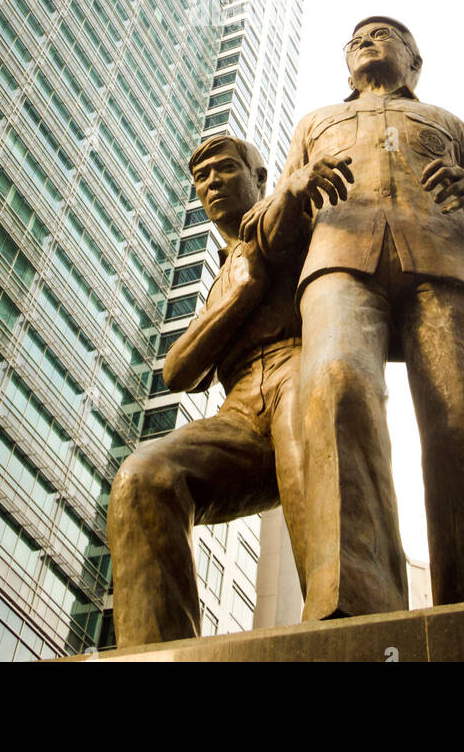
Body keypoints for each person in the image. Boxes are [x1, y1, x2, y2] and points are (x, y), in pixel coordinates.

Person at [242, 16, 464, 619]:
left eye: (381, 34)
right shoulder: (315, 123)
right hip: (337, 264)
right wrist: (294, 188)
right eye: (353, 38)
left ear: (414, 61)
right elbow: (265, 239)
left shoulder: (446, 123)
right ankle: (355, 599)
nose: (362, 42)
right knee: (338, 389)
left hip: (444, 267)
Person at [106, 132, 351, 647]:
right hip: (239, 411)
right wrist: (240, 292)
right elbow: (179, 372)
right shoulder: (226, 275)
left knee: (309, 456)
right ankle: (156, 653)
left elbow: (295, 229)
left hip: (298, 370)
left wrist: (292, 191)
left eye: (224, 169)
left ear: (259, 178)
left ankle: (341, 631)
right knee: (143, 478)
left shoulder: (296, 220)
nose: (212, 183)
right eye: (202, 177)